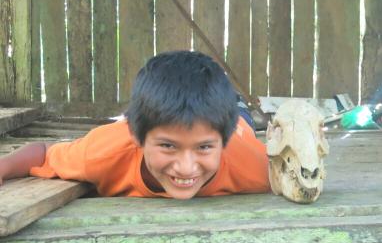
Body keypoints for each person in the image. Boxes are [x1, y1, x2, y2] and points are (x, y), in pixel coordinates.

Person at [0, 51, 270, 199]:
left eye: (204, 148)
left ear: (223, 143)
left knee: (240, 115)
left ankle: (236, 102)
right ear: (138, 138)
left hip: (239, 125)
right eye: (168, 146)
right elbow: (44, 153)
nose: (186, 167)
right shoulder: (102, 152)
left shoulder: (258, 168)